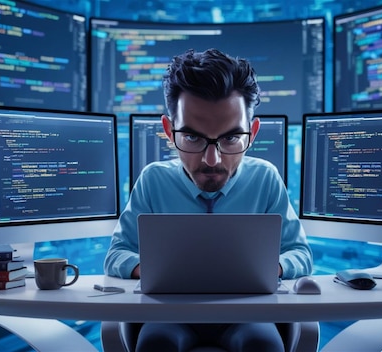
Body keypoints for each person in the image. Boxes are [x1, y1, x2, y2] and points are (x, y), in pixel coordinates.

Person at [104, 48, 313, 352]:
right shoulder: (153, 181)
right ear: (168, 130)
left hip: (247, 316)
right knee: (156, 345)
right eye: (192, 137)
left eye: (230, 138)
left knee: (262, 345)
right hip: (168, 315)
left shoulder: (265, 178)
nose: (212, 160)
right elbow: (116, 255)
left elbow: (301, 254)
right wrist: (154, 270)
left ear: (251, 134)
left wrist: (272, 268)